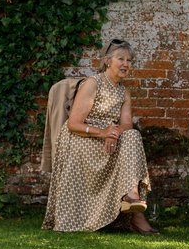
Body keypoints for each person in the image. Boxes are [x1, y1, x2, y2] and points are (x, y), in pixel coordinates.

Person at [42, 39, 157, 235]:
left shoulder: (123, 92)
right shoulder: (93, 84)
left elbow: (127, 124)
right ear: (107, 61)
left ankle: (132, 198)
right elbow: (74, 124)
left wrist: (113, 134)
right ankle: (130, 212)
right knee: (127, 136)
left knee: (132, 136)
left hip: (107, 139)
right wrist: (103, 133)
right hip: (82, 137)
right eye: (121, 59)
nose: (126, 64)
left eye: (129, 60)